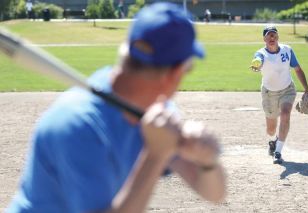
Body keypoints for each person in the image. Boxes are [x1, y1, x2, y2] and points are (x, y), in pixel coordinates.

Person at [6, 2, 226, 213]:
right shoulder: (76, 124)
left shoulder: (155, 109)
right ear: (174, 75)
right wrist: (155, 155)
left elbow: (214, 193)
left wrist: (207, 162)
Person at [250, 25, 308, 164]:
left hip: (287, 89)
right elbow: (258, 61)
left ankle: (278, 151)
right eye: (268, 35)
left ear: (278, 37)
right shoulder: (261, 54)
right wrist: (257, 65)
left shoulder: (287, 50)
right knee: (271, 130)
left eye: (274, 35)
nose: (272, 37)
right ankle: (274, 140)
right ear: (264, 38)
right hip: (269, 93)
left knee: (285, 114)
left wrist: (307, 89)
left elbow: (298, 69)